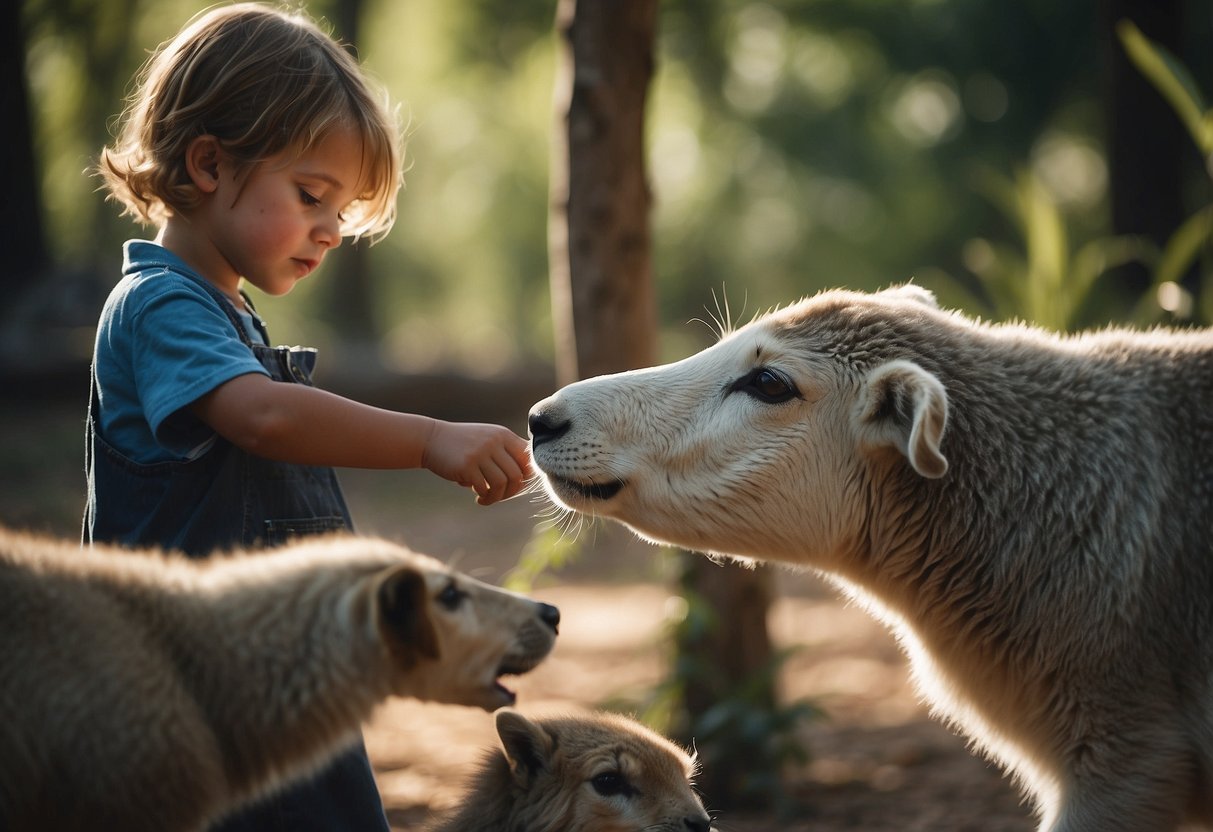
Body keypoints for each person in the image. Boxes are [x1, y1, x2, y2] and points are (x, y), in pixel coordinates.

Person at [83, 4, 532, 830]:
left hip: (271, 675)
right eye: (311, 195)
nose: (331, 232)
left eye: (344, 211)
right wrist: (431, 439)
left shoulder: (225, 314)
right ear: (209, 163)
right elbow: (264, 419)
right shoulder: (157, 305)